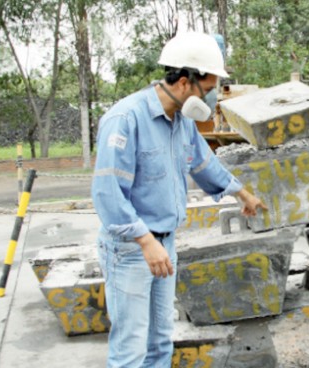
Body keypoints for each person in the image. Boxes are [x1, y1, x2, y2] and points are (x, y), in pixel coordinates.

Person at [91, 32, 267, 368]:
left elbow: (203, 163)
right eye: (210, 88)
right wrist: (144, 240)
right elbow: (107, 193)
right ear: (186, 82)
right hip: (132, 250)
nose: (213, 96)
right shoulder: (126, 119)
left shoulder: (181, 122)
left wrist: (242, 193)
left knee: (160, 343)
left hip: (164, 245)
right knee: (130, 348)